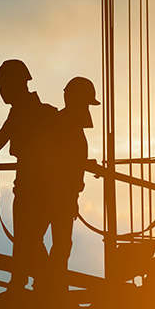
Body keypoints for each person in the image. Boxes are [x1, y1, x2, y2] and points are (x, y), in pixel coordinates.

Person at [0, 59, 58, 288]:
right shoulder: (27, 109)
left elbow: (1, 137)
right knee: (30, 238)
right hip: (36, 182)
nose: (1, 92)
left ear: (15, 84)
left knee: (26, 237)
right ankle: (45, 283)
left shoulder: (27, 110)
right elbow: (3, 136)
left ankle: (26, 282)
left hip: (34, 183)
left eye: (3, 87)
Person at [43, 76, 97, 283]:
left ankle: (51, 278)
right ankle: (49, 279)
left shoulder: (66, 126)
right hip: (58, 193)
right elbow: (60, 160)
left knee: (62, 243)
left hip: (63, 193)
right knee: (61, 242)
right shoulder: (63, 125)